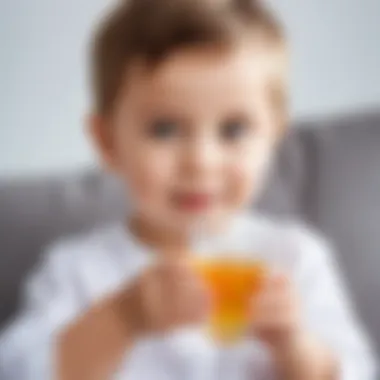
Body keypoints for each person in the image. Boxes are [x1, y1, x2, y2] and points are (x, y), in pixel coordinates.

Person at [0, 0, 377, 379]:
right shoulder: (75, 271)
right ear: (108, 142)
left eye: (233, 130)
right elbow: (21, 371)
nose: (200, 161)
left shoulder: (294, 259)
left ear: (273, 138)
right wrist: (122, 318)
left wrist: (293, 344)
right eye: (164, 129)